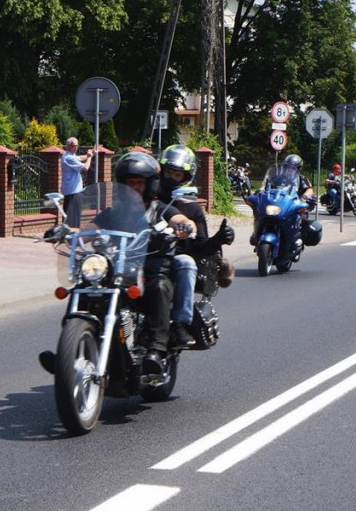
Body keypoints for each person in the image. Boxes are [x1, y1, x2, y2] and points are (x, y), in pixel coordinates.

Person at [39, 152, 194, 375]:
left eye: (139, 183)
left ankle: (157, 351)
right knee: (82, 289)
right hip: (115, 268)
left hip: (149, 269)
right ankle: (68, 354)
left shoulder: (160, 209)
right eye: (129, 184)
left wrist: (184, 227)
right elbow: (86, 231)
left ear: (150, 186)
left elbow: (181, 220)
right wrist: (64, 232)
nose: (133, 188)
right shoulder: (112, 212)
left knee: (159, 287)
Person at [158, 145, 235, 348]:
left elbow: (201, 247)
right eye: (168, 172)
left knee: (185, 263)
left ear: (185, 178)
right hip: (141, 253)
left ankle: (180, 323)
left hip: (172, 258)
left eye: (177, 174)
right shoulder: (146, 197)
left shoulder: (190, 207)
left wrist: (218, 239)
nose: (171, 178)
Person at [249, 153, 315, 245]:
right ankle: (256, 232)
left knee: (303, 218)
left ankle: (299, 239)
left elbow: (309, 190)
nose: (289, 170)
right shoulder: (278, 177)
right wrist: (259, 191)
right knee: (259, 211)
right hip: (279, 202)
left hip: (293, 204)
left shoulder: (301, 179)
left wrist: (304, 197)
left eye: (292, 168)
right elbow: (266, 186)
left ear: (298, 169)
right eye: (287, 167)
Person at [61, 137, 95, 226]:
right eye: (73, 146)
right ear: (68, 146)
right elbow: (85, 168)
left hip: (72, 191)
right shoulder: (68, 158)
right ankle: (71, 237)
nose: (75, 148)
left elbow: (79, 158)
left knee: (72, 218)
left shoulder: (70, 156)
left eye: (76, 146)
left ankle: (70, 236)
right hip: (73, 192)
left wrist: (91, 154)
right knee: (73, 219)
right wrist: (90, 157)